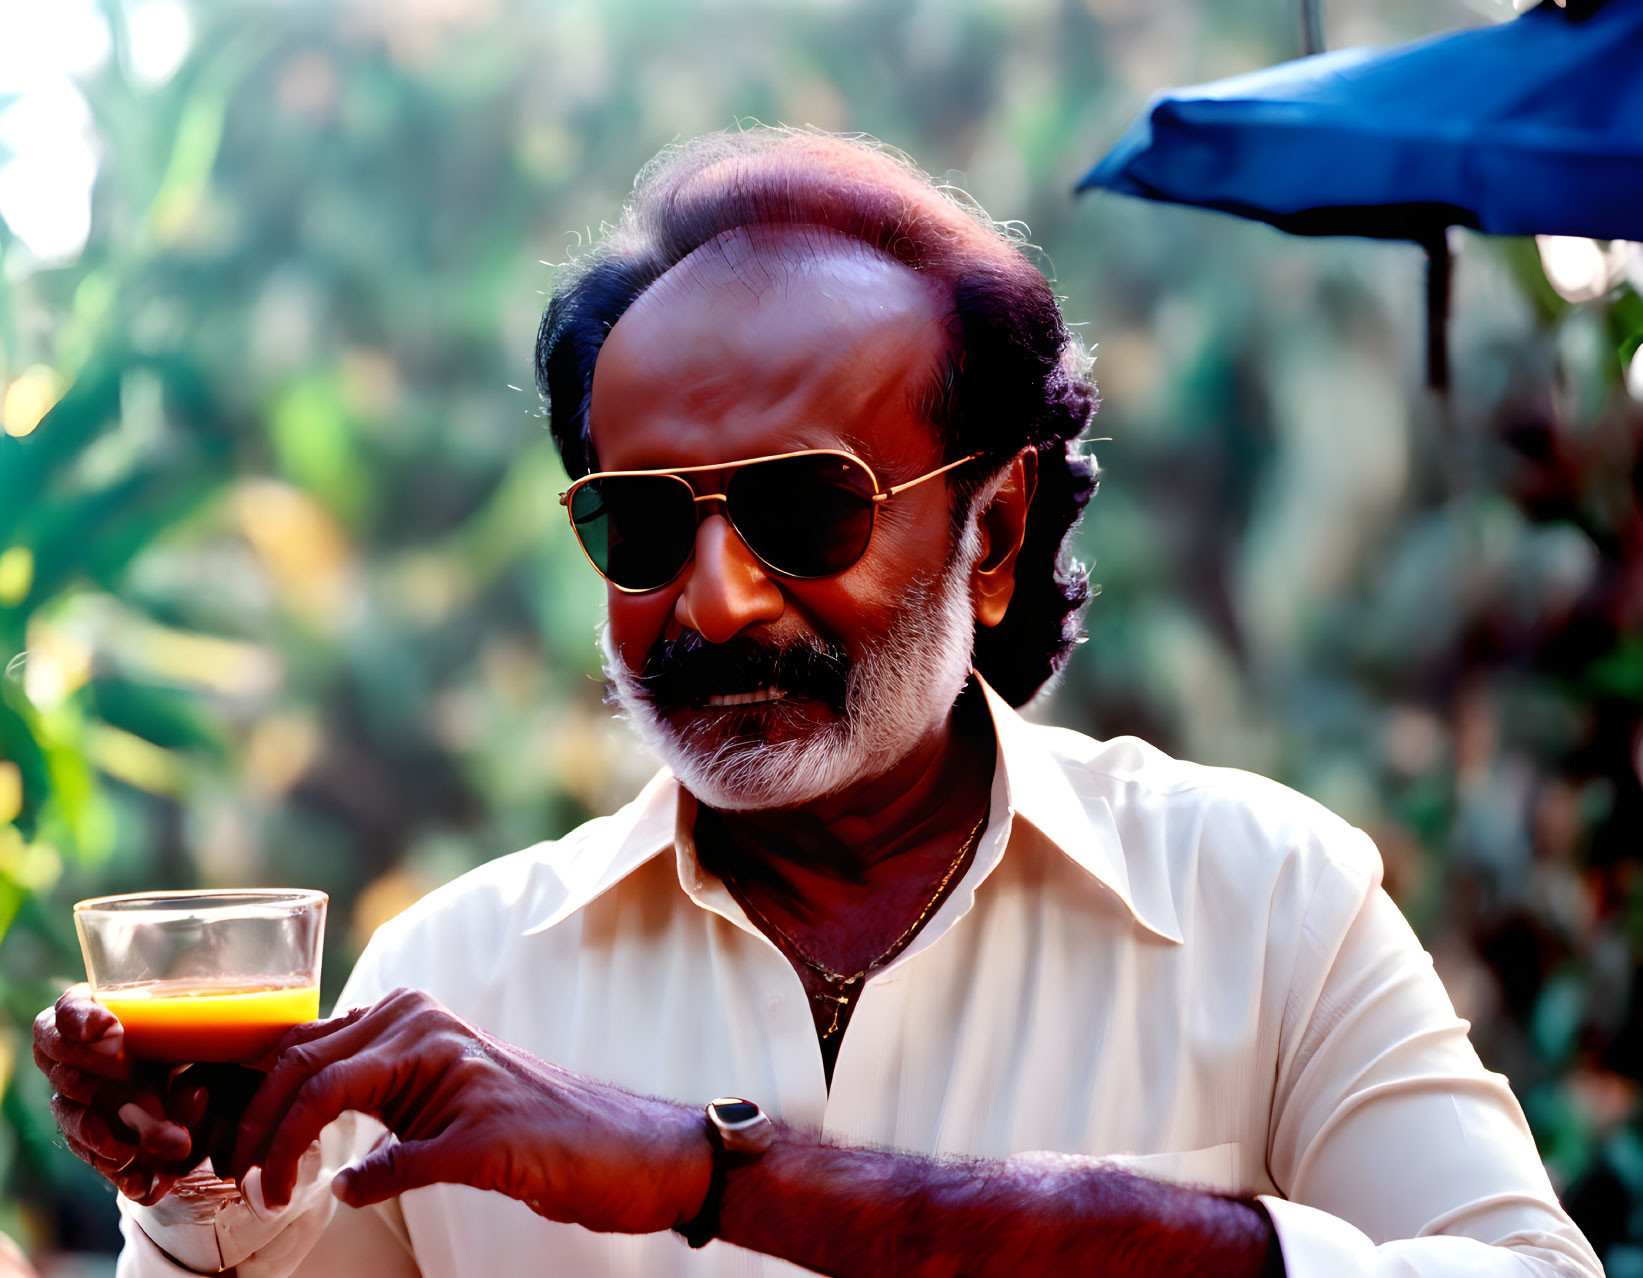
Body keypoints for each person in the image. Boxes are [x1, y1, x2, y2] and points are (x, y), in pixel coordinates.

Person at [35, 128, 1601, 1278]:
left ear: (990, 537)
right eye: (642, 525)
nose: (714, 599)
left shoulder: (1259, 902)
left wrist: (719, 1177)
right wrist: (202, 1189)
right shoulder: (455, 974)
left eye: (805, 508)